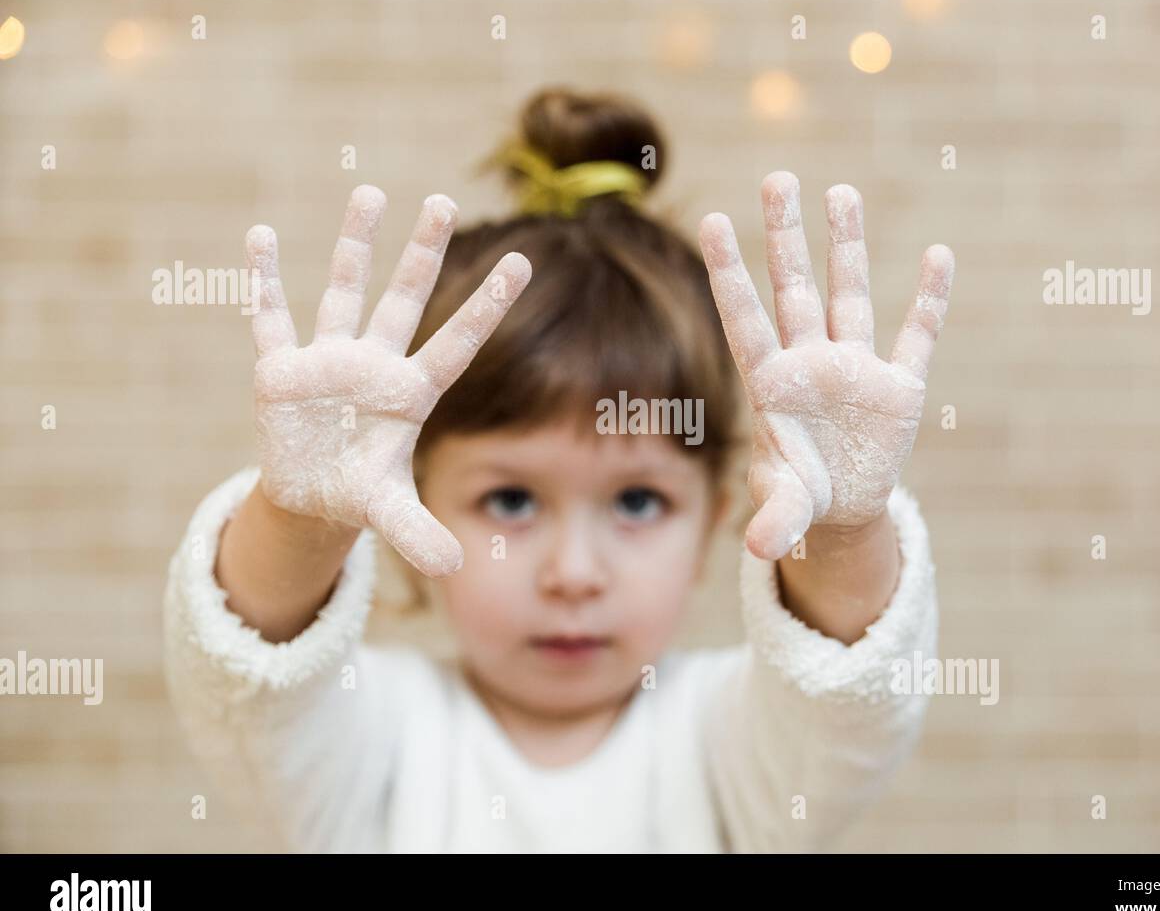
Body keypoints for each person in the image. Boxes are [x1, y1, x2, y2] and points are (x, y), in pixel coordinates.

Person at [162, 87, 955, 852]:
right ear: (414, 501)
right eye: (510, 499)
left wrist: (847, 528)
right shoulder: (374, 736)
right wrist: (303, 520)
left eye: (638, 503)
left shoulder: (725, 741)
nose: (573, 575)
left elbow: (844, 704)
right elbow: (251, 687)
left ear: (716, 515)